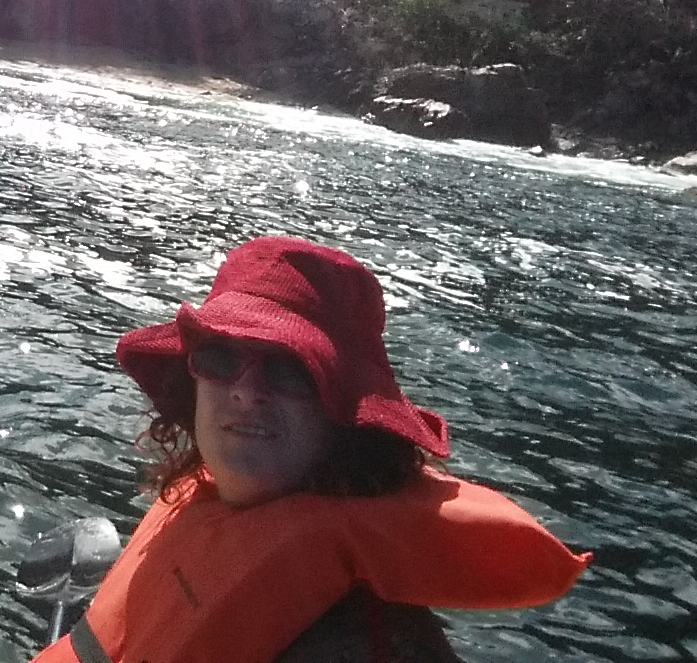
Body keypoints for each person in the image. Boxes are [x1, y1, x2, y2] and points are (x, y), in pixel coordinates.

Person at [33, 236, 589, 663]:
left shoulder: (362, 646)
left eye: (289, 368)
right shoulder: (204, 509)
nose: (246, 390)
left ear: (345, 416)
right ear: (191, 382)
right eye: (221, 357)